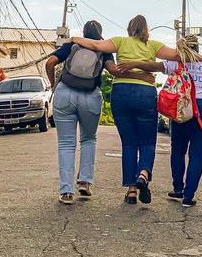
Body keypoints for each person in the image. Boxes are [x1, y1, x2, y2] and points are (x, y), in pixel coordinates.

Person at [117, 36, 202, 207]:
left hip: (183, 108)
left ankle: (178, 189)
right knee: (197, 154)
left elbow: (155, 66)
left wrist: (133, 64)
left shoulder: (177, 63)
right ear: (197, 49)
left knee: (178, 150)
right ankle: (188, 197)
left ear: (181, 49)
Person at [70, 15, 179, 205]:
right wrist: (196, 53)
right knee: (147, 142)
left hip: (121, 93)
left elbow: (95, 45)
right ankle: (143, 175)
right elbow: (176, 55)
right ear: (146, 29)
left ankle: (131, 191)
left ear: (129, 28)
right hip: (145, 93)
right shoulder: (153, 45)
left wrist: (73, 39)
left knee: (128, 144)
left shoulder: (120, 42)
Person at [47, 20, 155, 205]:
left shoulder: (74, 44)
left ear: (83, 31)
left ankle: (66, 191)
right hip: (90, 95)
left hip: (65, 92)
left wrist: (53, 85)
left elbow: (50, 62)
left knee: (66, 143)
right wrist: (140, 76)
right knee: (88, 138)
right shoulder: (104, 48)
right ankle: (84, 182)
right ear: (100, 33)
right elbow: (114, 70)